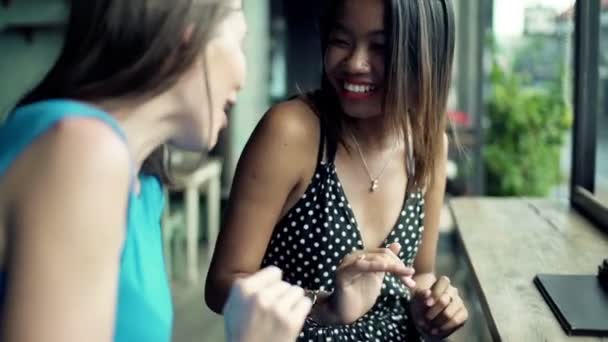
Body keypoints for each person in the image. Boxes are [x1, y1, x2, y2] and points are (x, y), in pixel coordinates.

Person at [0, 0, 311, 341]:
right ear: (187, 37)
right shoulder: (81, 150)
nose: (243, 76)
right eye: (239, 40)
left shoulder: (144, 184)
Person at [205, 0, 469, 340]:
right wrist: (323, 305)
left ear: (426, 56)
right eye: (341, 41)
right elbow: (222, 285)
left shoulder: (429, 146)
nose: (355, 63)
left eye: (380, 47)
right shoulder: (292, 133)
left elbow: (422, 273)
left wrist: (432, 305)